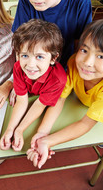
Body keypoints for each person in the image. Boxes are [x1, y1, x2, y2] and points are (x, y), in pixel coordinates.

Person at [27, 19, 103, 169]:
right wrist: (43, 133)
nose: (87, 62)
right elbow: (60, 99)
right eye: (84, 50)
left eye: (101, 56)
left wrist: (48, 142)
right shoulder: (74, 62)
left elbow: (85, 123)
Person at [0, 19, 67, 151]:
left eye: (39, 57)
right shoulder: (18, 67)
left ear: (53, 58)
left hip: (42, 101)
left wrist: (20, 130)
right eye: (25, 55)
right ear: (18, 54)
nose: (30, 65)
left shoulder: (58, 79)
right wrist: (10, 129)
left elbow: (39, 104)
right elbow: (22, 101)